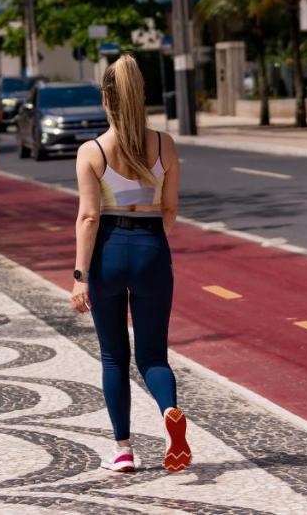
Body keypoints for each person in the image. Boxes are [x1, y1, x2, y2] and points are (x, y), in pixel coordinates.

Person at [70, 55, 190, 474]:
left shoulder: (93, 151)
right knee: (154, 355)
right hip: (152, 247)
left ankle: (122, 450)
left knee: (114, 357)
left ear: (106, 98)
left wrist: (80, 277)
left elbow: (88, 217)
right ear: (140, 96)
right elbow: (171, 208)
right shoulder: (165, 145)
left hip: (107, 251)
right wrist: (150, 243)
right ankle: (169, 412)